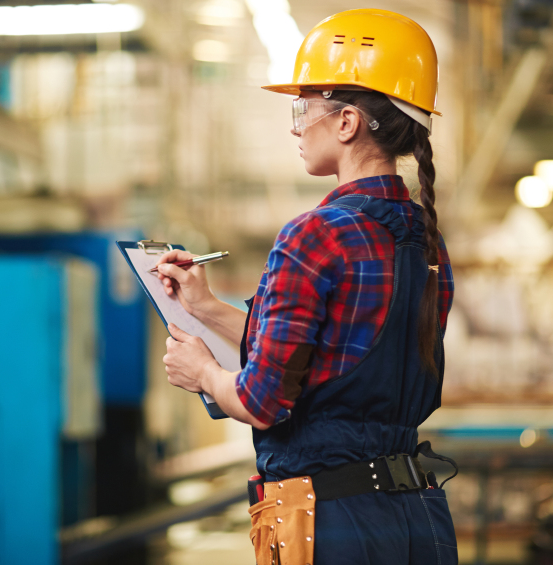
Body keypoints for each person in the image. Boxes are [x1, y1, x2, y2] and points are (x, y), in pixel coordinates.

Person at [155, 9, 458, 565]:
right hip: (419, 516)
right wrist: (207, 307)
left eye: (304, 108)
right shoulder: (425, 241)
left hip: (333, 524)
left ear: (346, 123)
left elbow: (261, 401)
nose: (296, 126)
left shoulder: (315, 235)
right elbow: (328, 351)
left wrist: (203, 371)